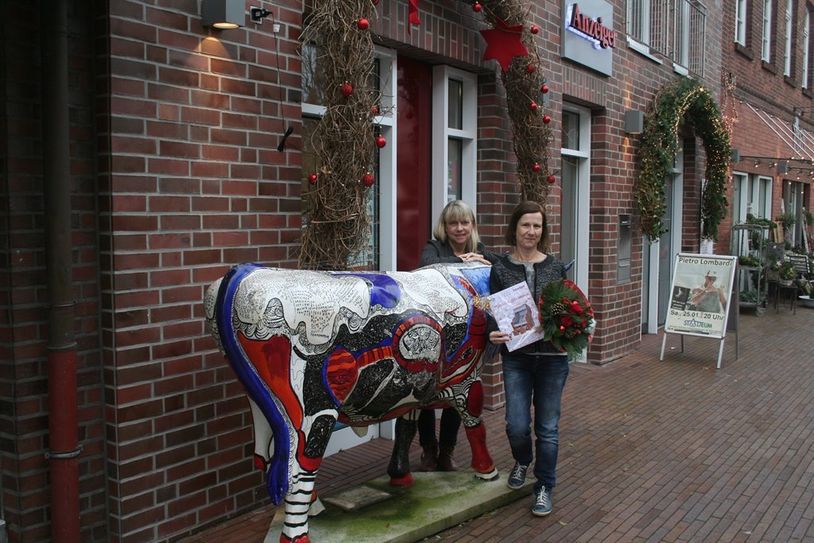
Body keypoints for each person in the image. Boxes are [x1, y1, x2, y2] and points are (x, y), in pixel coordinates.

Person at [487, 200, 569, 517]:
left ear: (542, 230)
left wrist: (568, 330)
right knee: (517, 426)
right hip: (517, 359)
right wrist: (492, 332)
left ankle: (544, 486)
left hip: (552, 359)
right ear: (515, 228)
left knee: (547, 428)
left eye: (537, 225)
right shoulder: (501, 269)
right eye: (526, 225)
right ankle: (522, 460)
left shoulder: (555, 267)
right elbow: (495, 312)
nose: (531, 231)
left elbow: (568, 309)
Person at [416, 200, 491, 471]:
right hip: (435, 329)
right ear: (444, 227)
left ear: (472, 225)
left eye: (464, 222)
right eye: (453, 223)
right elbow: (426, 265)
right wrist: (460, 261)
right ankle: (427, 449)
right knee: (425, 392)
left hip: (466, 333)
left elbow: (500, 266)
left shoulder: (480, 250)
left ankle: (447, 450)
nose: (459, 228)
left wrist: (483, 260)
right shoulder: (434, 247)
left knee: (457, 393)